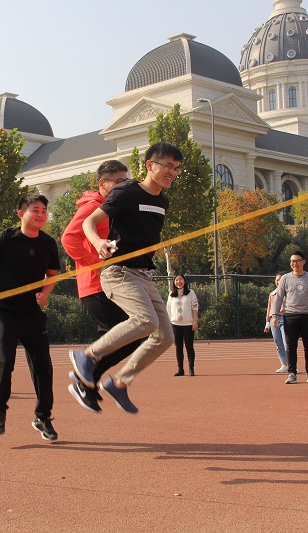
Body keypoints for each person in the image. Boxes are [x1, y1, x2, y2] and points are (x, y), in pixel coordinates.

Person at [69, 141, 182, 414]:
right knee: (145, 321)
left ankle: (119, 382)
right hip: (118, 272)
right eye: (168, 166)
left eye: (177, 168)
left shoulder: (163, 201)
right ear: (150, 165)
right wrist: (98, 243)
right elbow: (89, 222)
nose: (172, 172)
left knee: (165, 336)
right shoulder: (126, 192)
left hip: (144, 275)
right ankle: (87, 355)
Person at [60, 159, 142, 413]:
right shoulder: (92, 207)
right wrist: (95, 263)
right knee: (132, 334)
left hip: (113, 283)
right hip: (96, 285)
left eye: (125, 181)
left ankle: (87, 381)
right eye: (117, 181)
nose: (122, 185)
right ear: (102, 184)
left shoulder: (112, 208)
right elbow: (68, 238)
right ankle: (85, 378)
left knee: (130, 335)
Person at [0, 193, 60, 441]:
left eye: (44, 211)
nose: (41, 215)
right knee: (3, 362)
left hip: (32, 313)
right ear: (21, 214)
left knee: (43, 366)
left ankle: (43, 417)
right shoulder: (6, 238)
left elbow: (52, 274)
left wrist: (45, 293)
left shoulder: (48, 243)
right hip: (5, 312)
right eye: (35, 210)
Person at [271, 251, 308, 384]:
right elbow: (278, 298)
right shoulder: (285, 278)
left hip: (307, 315)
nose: (294, 263)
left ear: (303, 262)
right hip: (290, 316)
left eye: (297, 261)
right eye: (292, 261)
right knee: (290, 346)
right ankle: (292, 374)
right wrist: (274, 315)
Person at [166, 273, 199, 376]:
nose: (178, 282)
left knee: (189, 346)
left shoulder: (191, 293)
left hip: (188, 324)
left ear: (184, 281)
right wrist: (168, 323)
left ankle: (191, 369)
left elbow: (195, 307)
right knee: (178, 347)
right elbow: (168, 309)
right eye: (176, 280)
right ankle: (180, 369)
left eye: (180, 279)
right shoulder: (171, 295)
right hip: (175, 325)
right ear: (174, 282)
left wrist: (195, 321)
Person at [265, 273, 289, 373]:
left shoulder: (288, 293)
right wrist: (267, 323)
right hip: (274, 320)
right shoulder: (272, 294)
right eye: (277, 280)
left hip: (285, 318)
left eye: (280, 279)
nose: (278, 281)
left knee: (287, 343)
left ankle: (292, 365)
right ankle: (284, 364)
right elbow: (269, 308)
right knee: (278, 343)